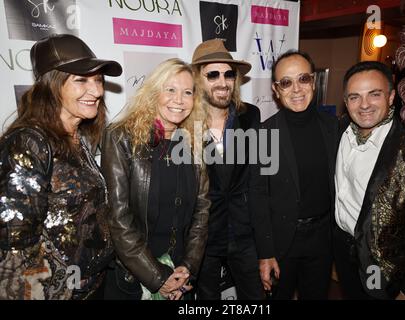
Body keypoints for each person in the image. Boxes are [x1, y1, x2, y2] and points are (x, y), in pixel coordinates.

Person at [0, 34, 122, 299]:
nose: (98, 91)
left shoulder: (77, 137)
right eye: (81, 80)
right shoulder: (28, 142)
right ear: (51, 85)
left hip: (94, 286)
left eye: (98, 79)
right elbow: (15, 246)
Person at [334, 61, 405, 300]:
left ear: (392, 96)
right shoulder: (340, 130)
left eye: (374, 95)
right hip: (342, 250)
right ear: (346, 102)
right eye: (355, 97)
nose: (364, 105)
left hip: (383, 265)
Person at [101, 58, 210, 300]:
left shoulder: (195, 142)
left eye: (187, 92)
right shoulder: (121, 138)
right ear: (153, 92)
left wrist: (188, 267)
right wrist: (159, 278)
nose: (179, 100)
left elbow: (202, 213)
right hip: (134, 277)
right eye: (170, 89)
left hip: (181, 276)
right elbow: (118, 219)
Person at [250, 50, 338, 299]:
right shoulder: (264, 135)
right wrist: (265, 253)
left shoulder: (335, 127)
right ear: (276, 90)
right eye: (286, 83)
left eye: (303, 79)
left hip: (323, 240)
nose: (296, 89)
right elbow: (258, 197)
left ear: (314, 81)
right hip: (281, 243)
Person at [191, 39, 265, 300]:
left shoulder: (251, 116)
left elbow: (260, 178)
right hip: (203, 238)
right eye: (212, 74)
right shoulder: (183, 123)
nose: (222, 82)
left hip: (244, 233)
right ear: (197, 79)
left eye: (229, 74)